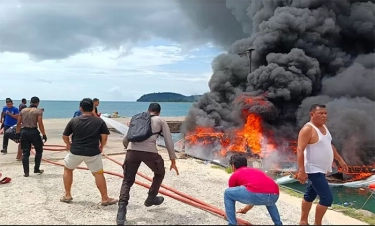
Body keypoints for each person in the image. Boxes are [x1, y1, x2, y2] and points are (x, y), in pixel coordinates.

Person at [116, 103, 179, 225]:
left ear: (148, 110)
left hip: (131, 151)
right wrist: (173, 159)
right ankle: (151, 198)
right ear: (158, 112)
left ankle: (121, 213)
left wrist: (129, 150)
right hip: (150, 153)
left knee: (127, 181)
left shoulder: (137, 118)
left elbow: (125, 138)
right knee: (159, 173)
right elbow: (168, 141)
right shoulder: (160, 120)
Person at [296, 104, 348, 225]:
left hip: (322, 170)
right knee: (326, 198)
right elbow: (300, 150)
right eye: (321, 113)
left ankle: (303, 221)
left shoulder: (324, 127)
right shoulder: (308, 129)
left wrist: (340, 159)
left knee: (310, 195)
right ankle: (317, 223)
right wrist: (301, 171)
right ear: (312, 114)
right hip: (313, 170)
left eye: (325, 113)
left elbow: (329, 145)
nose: (324, 116)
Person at [61, 98, 117, 206]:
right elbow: (104, 136)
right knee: (98, 173)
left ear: (80, 108)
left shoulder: (74, 120)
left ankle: (67, 195)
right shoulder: (99, 121)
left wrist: (68, 144)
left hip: (75, 151)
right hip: (92, 152)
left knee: (68, 169)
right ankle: (105, 198)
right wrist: (102, 146)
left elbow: (65, 136)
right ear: (93, 108)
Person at [224, 154, 282, 225]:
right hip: (274, 194)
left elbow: (233, 197)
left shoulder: (235, 175)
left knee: (227, 193)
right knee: (269, 202)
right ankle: (278, 223)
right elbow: (256, 193)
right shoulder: (255, 171)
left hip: (257, 194)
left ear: (233, 166)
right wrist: (245, 209)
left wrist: (228, 215)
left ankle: (232, 223)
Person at [15, 96, 47, 177]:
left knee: (25, 153)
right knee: (39, 150)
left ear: (30, 102)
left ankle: (26, 173)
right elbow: (40, 123)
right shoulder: (38, 111)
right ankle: (36, 169)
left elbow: (18, 123)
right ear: (38, 103)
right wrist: (44, 134)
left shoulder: (23, 110)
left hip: (24, 132)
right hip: (33, 132)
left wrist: (17, 133)